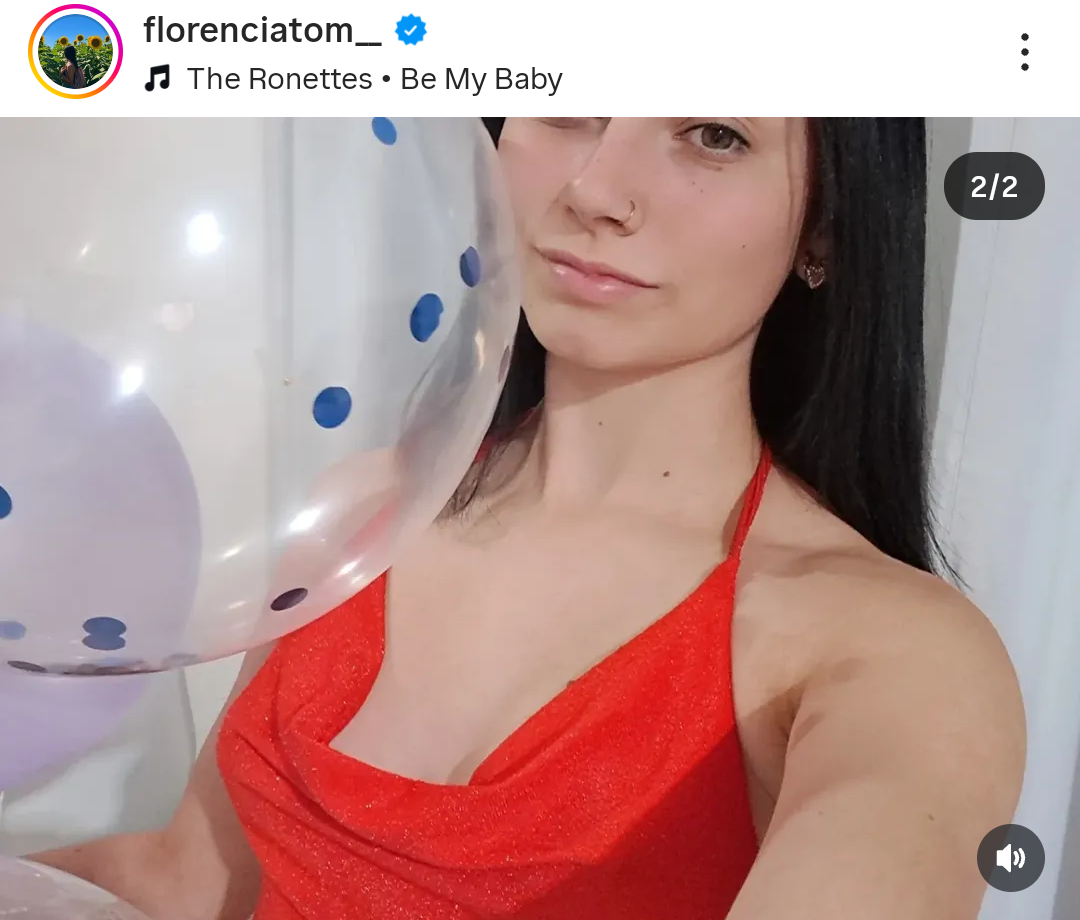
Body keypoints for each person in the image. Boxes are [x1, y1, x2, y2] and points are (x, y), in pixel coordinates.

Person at [30, 118, 1026, 920]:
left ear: (825, 230)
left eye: (714, 136)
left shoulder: (892, 652)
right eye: (566, 104)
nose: (595, 189)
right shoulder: (369, 504)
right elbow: (191, 884)